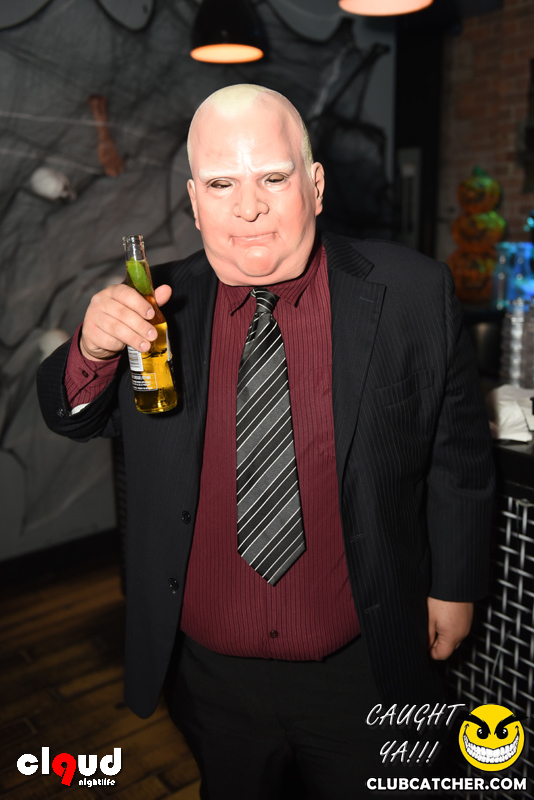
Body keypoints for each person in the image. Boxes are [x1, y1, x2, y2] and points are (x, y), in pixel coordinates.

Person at [37, 84, 494, 799]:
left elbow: (457, 456)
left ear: (315, 185)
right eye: (221, 184)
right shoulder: (151, 311)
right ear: (194, 202)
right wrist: (90, 349)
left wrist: (456, 585)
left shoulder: (414, 293)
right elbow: (70, 415)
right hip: (209, 680)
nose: (247, 208)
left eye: (273, 178)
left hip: (367, 664)